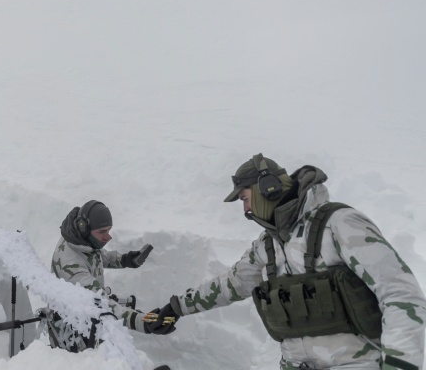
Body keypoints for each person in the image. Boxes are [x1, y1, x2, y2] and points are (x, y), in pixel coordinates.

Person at [156, 154, 426, 370]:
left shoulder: (339, 224)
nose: (245, 209)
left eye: (245, 199)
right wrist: (177, 307)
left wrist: (399, 364)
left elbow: (401, 294)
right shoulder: (268, 245)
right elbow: (231, 285)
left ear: (268, 189)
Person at [49, 200, 175, 352]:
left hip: (88, 320)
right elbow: (101, 303)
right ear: (83, 227)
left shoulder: (78, 238)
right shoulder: (70, 265)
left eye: (108, 231)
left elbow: (94, 255)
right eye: (102, 232)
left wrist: (124, 259)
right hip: (74, 335)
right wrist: (142, 322)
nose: (107, 237)